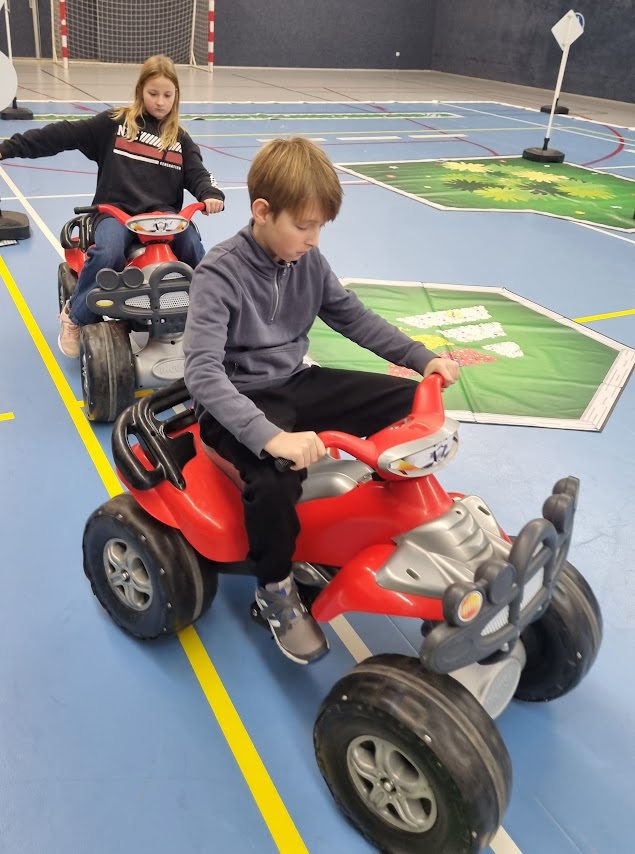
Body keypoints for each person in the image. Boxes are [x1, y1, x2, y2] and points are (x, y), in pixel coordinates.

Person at [183, 136, 459, 665]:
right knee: (274, 480)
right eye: (304, 226)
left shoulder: (308, 262)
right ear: (262, 211)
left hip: (295, 382)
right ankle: (275, 590)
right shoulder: (219, 272)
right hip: (236, 401)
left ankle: (377, 515)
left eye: (320, 228)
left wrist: (421, 359)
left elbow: (354, 317)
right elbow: (202, 374)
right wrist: (272, 438)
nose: (313, 239)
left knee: (408, 402)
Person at [0, 55, 225, 358]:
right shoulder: (115, 125)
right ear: (140, 91)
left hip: (163, 219)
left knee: (192, 246)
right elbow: (61, 135)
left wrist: (210, 193)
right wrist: (8, 148)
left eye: (167, 95)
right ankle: (75, 317)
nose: (160, 102)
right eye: (153, 93)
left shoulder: (180, 139)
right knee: (108, 251)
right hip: (117, 213)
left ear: (176, 96)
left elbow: (198, 174)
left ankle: (210, 314)